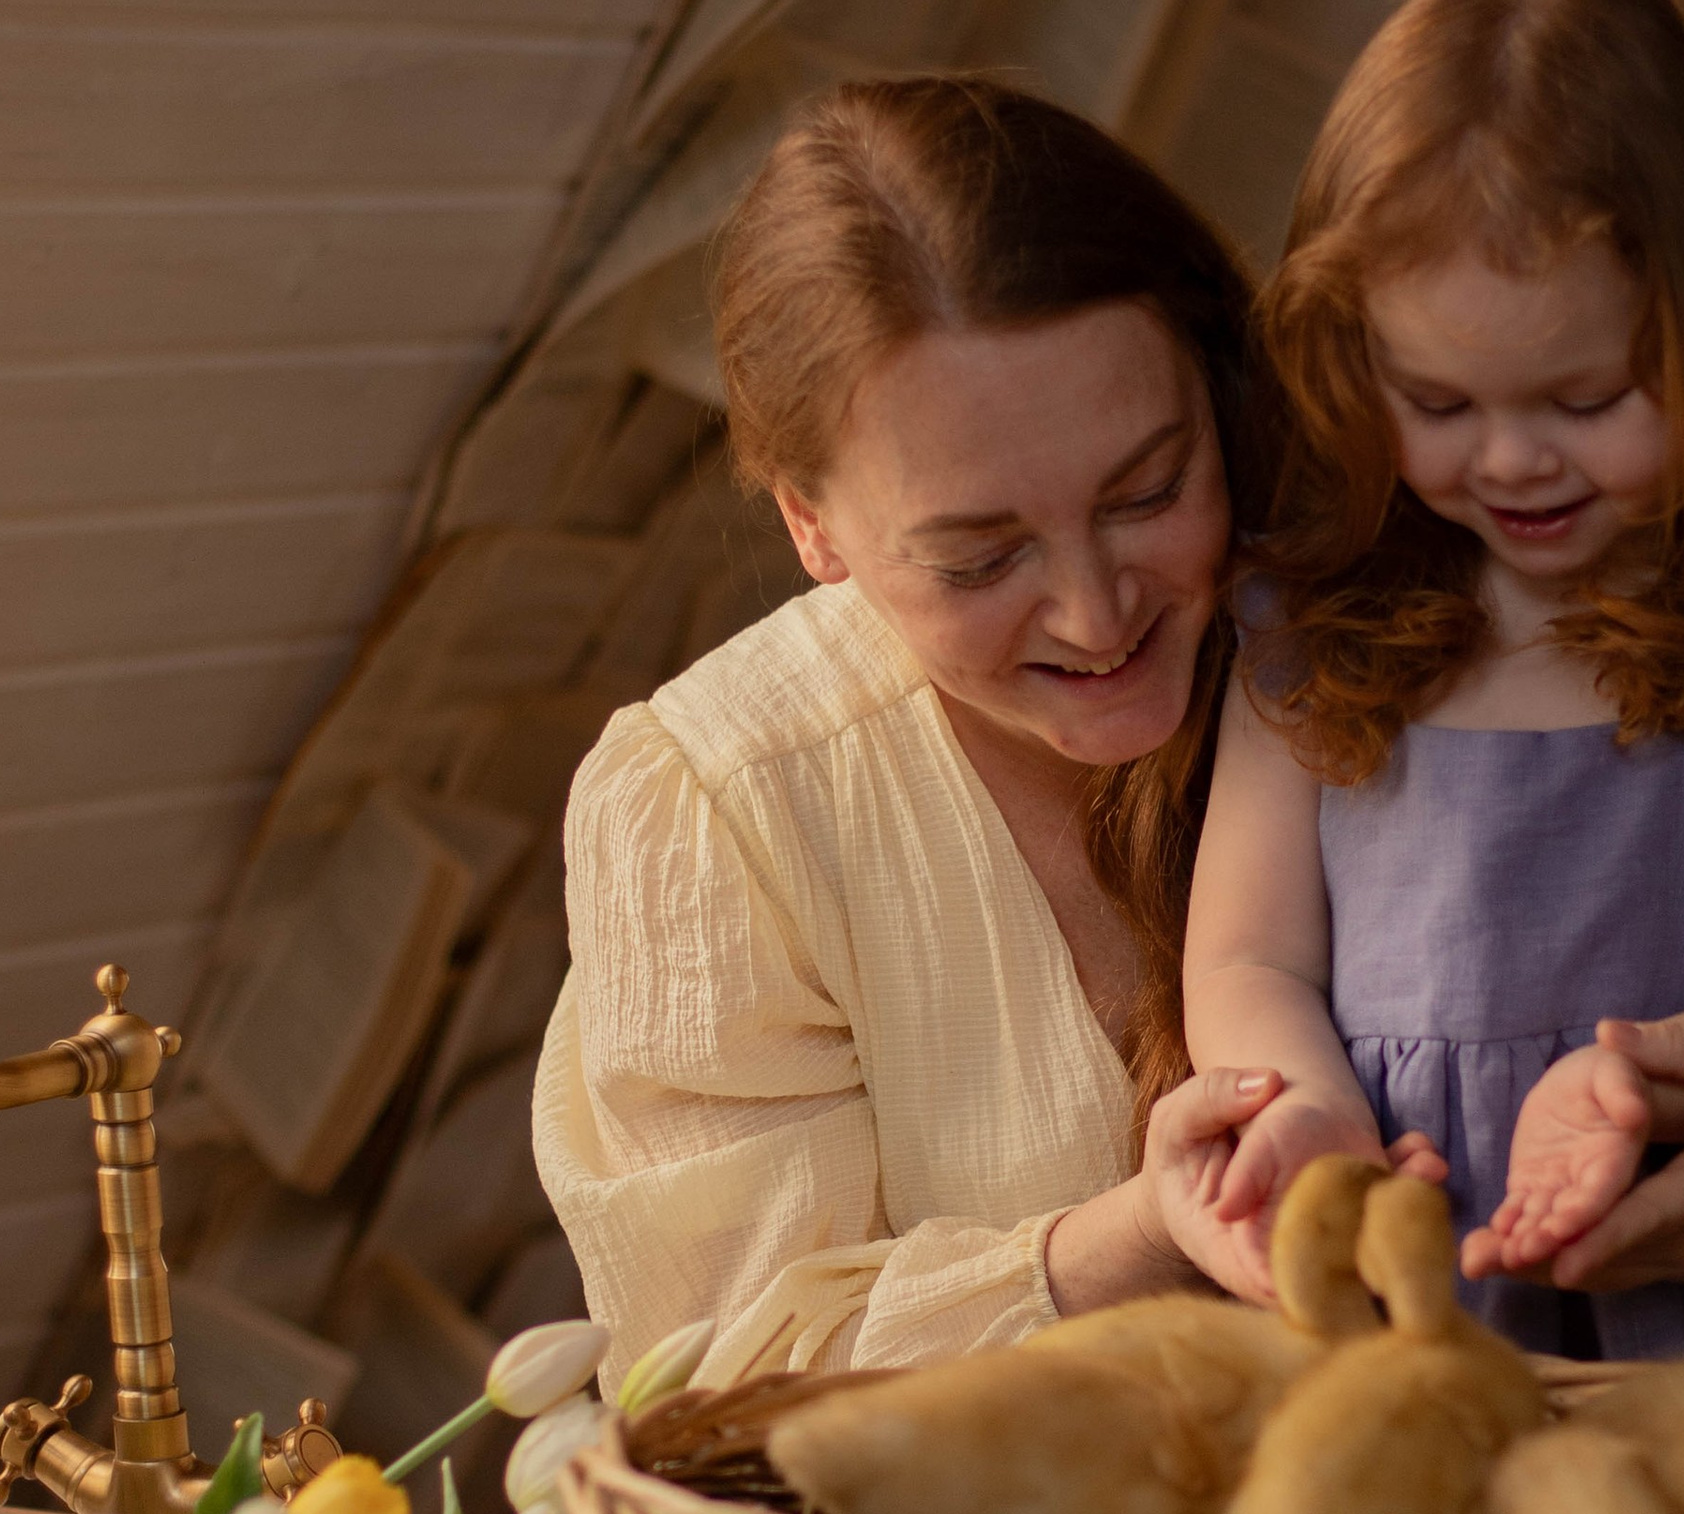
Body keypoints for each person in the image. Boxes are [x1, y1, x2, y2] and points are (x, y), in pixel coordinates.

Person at [535, 77, 1416, 1392]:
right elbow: (723, 1391)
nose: (1097, 609)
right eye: (982, 556)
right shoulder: (720, 806)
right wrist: (1128, 1239)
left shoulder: (1373, 628)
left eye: (1150, 489)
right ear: (811, 527)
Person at [1181, 0, 1684, 1369]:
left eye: (1588, 395)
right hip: (1397, 1308)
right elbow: (1247, 953)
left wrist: (1634, 1086)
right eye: (1439, 400)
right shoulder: (1306, 635)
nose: (1516, 457)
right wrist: (1304, 1111)